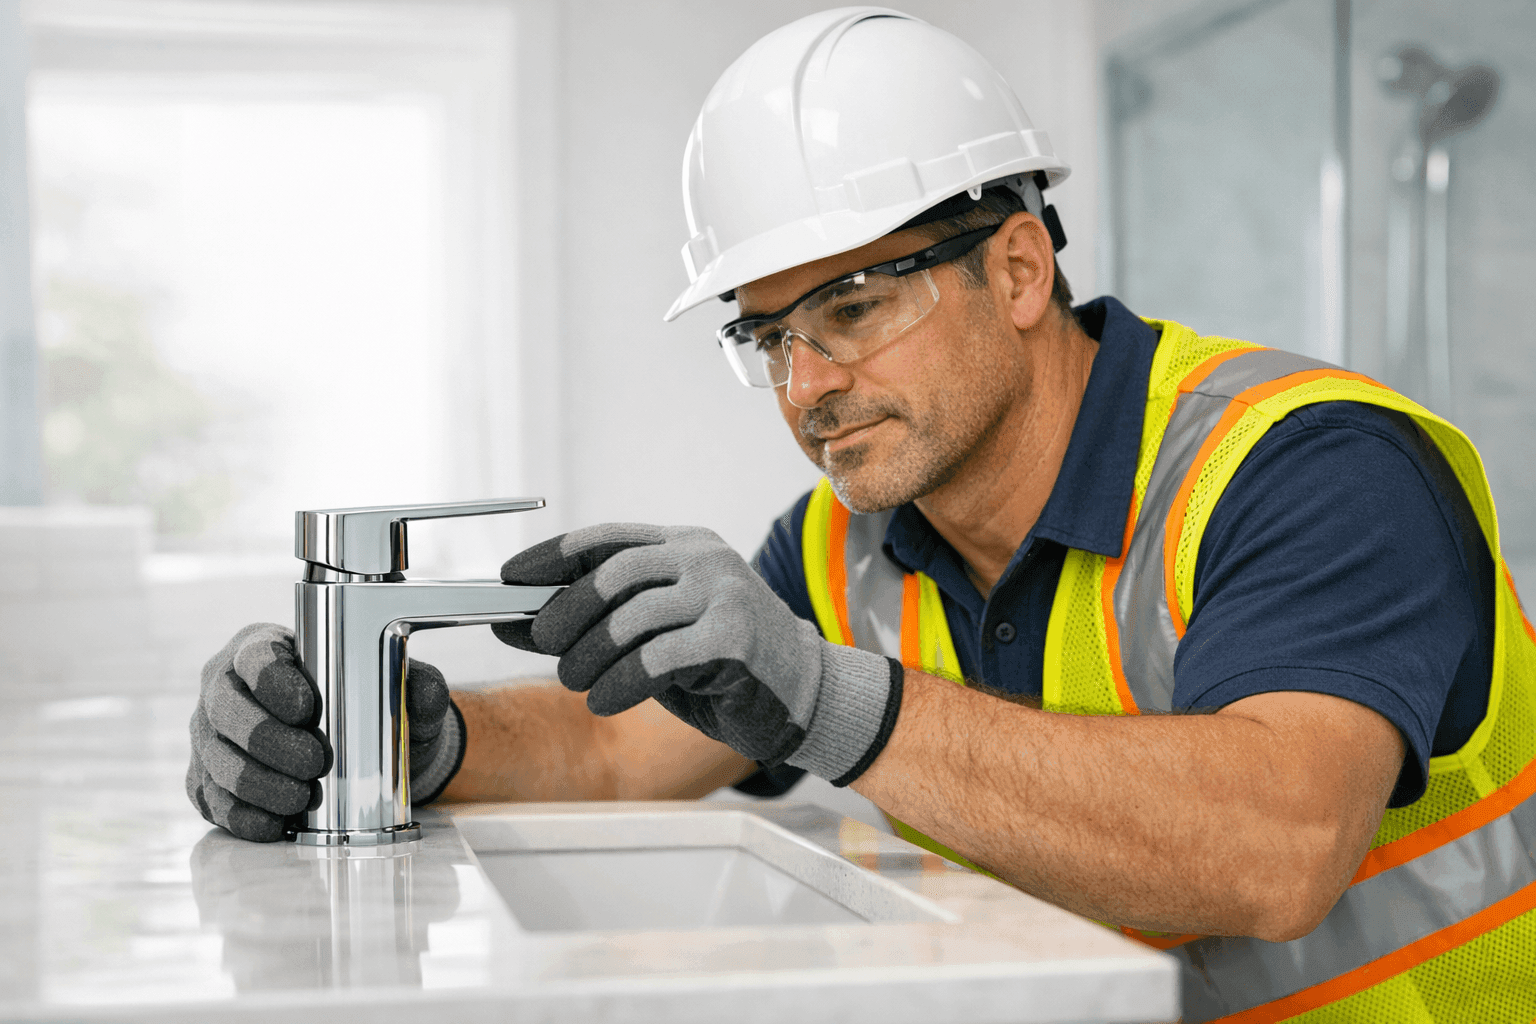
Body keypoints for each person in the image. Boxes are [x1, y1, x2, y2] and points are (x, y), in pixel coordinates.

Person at [186, 8, 1536, 1022]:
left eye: (853, 307)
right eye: (765, 336)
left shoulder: (1306, 467)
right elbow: (619, 756)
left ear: (1018, 268)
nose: (807, 385)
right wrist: (403, 736)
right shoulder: (845, 545)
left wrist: (839, 703)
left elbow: (1271, 851)